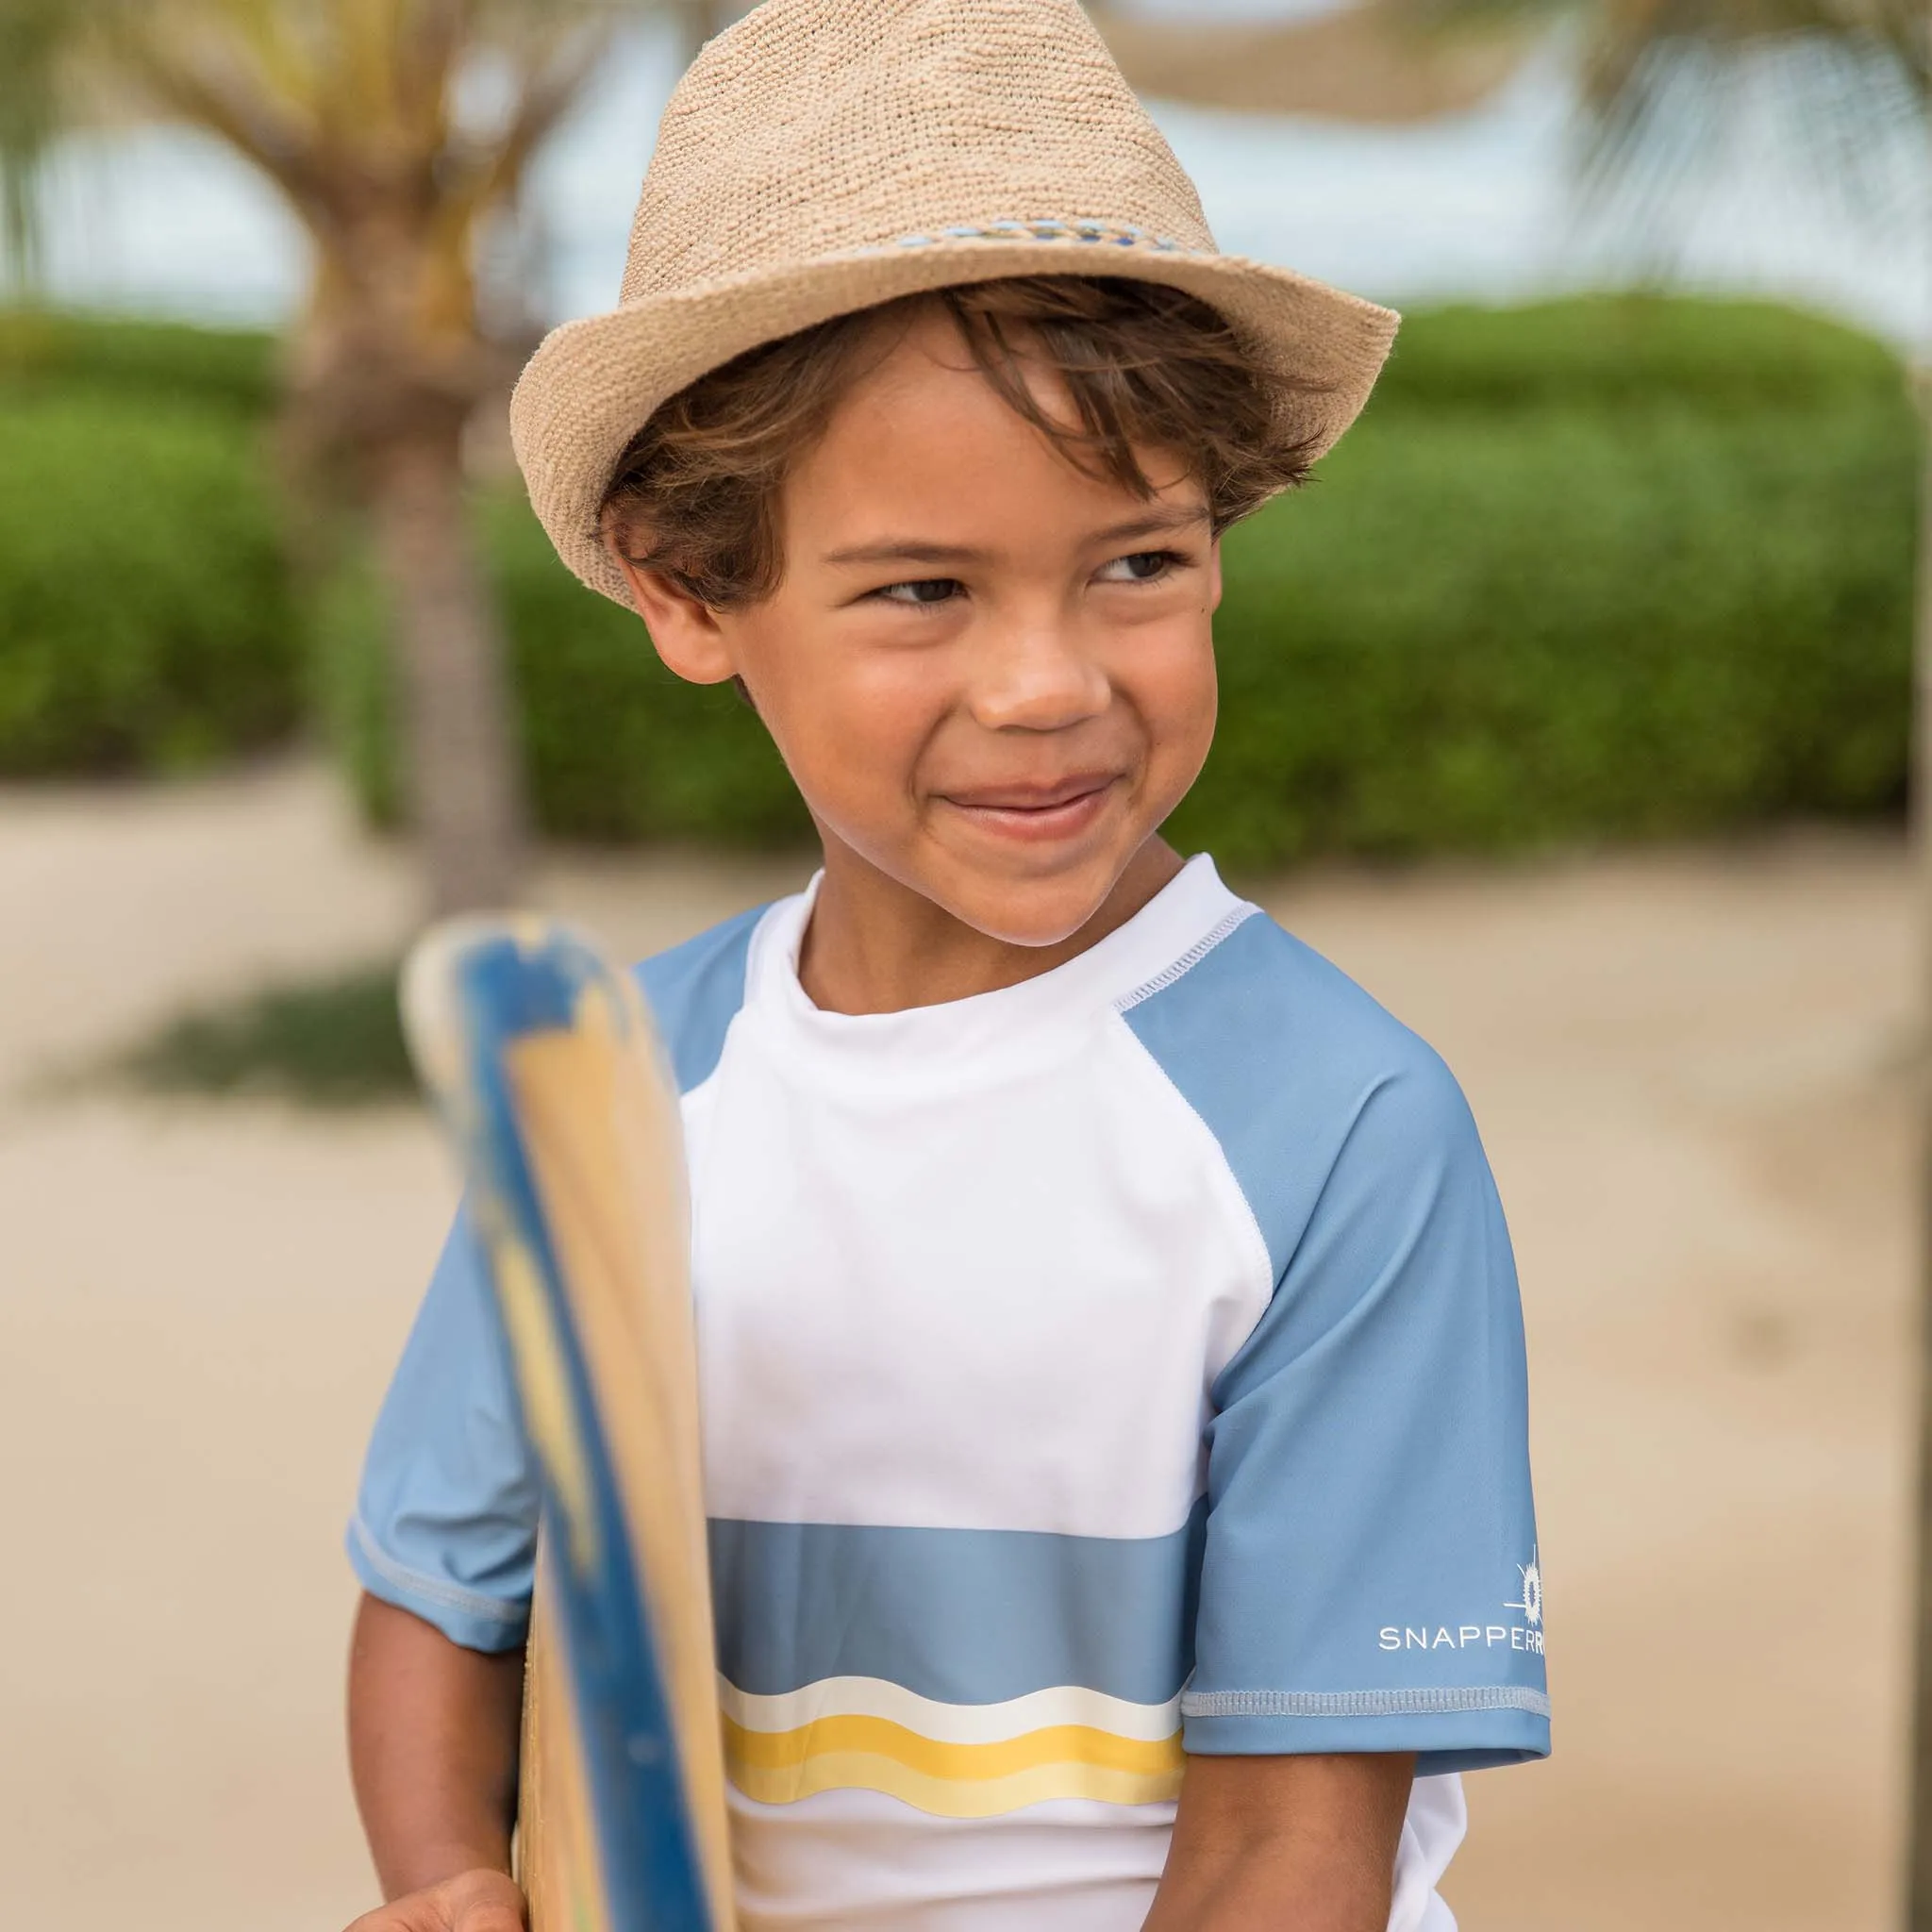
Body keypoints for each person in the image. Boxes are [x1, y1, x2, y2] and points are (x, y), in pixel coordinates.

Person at [342, 3, 1549, 1928]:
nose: (1049, 685)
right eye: (922, 589)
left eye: (1134, 565)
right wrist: (440, 1878)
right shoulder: (618, 1082)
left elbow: (1285, 1844)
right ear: (684, 582)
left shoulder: (1337, 1127)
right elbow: (442, 1595)